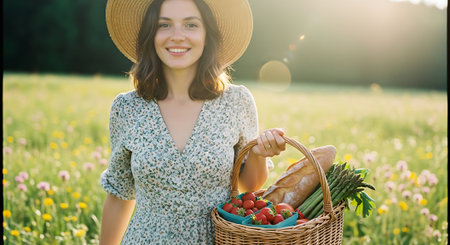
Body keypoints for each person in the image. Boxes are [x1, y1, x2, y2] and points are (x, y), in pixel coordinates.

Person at [99, 0, 287, 244]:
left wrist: (260, 154)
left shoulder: (236, 101)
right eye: (164, 25)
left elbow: (248, 184)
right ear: (150, 35)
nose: (177, 36)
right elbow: (119, 194)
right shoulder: (127, 108)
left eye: (191, 25)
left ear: (207, 34)